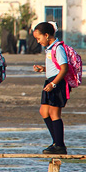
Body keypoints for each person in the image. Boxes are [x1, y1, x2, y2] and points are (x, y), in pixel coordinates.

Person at [32, 22, 69, 155]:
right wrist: (44, 69)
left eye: (38, 38)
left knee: (54, 114)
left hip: (57, 83)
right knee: (44, 111)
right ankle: (56, 142)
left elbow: (64, 69)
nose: (38, 41)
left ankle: (59, 145)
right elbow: (56, 67)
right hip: (50, 81)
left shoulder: (58, 48)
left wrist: (53, 84)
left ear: (46, 35)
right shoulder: (50, 48)